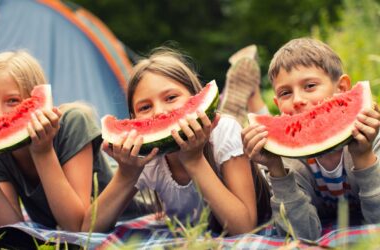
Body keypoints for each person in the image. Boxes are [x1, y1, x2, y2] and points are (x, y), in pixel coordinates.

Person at [81, 48, 271, 235]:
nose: (159, 112)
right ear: (134, 119)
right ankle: (236, 97)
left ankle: (243, 94)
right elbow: (89, 229)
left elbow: (244, 227)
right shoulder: (147, 155)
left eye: (171, 98)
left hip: (258, 170)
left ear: (195, 96)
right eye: (145, 107)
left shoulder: (224, 132)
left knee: (236, 123)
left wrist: (195, 161)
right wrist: (126, 174)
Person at [241, 37, 380, 240]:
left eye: (310, 86)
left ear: (342, 88)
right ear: (277, 103)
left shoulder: (372, 136)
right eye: (286, 93)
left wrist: (364, 157)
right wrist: (277, 170)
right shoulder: (287, 160)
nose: (297, 100)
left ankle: (248, 93)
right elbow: (301, 235)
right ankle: (242, 96)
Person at [0, 50, 114, 231]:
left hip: (133, 211)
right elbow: (10, 229)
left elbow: (75, 227)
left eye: (12, 100)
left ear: (34, 99)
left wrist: (43, 152)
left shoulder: (74, 123)